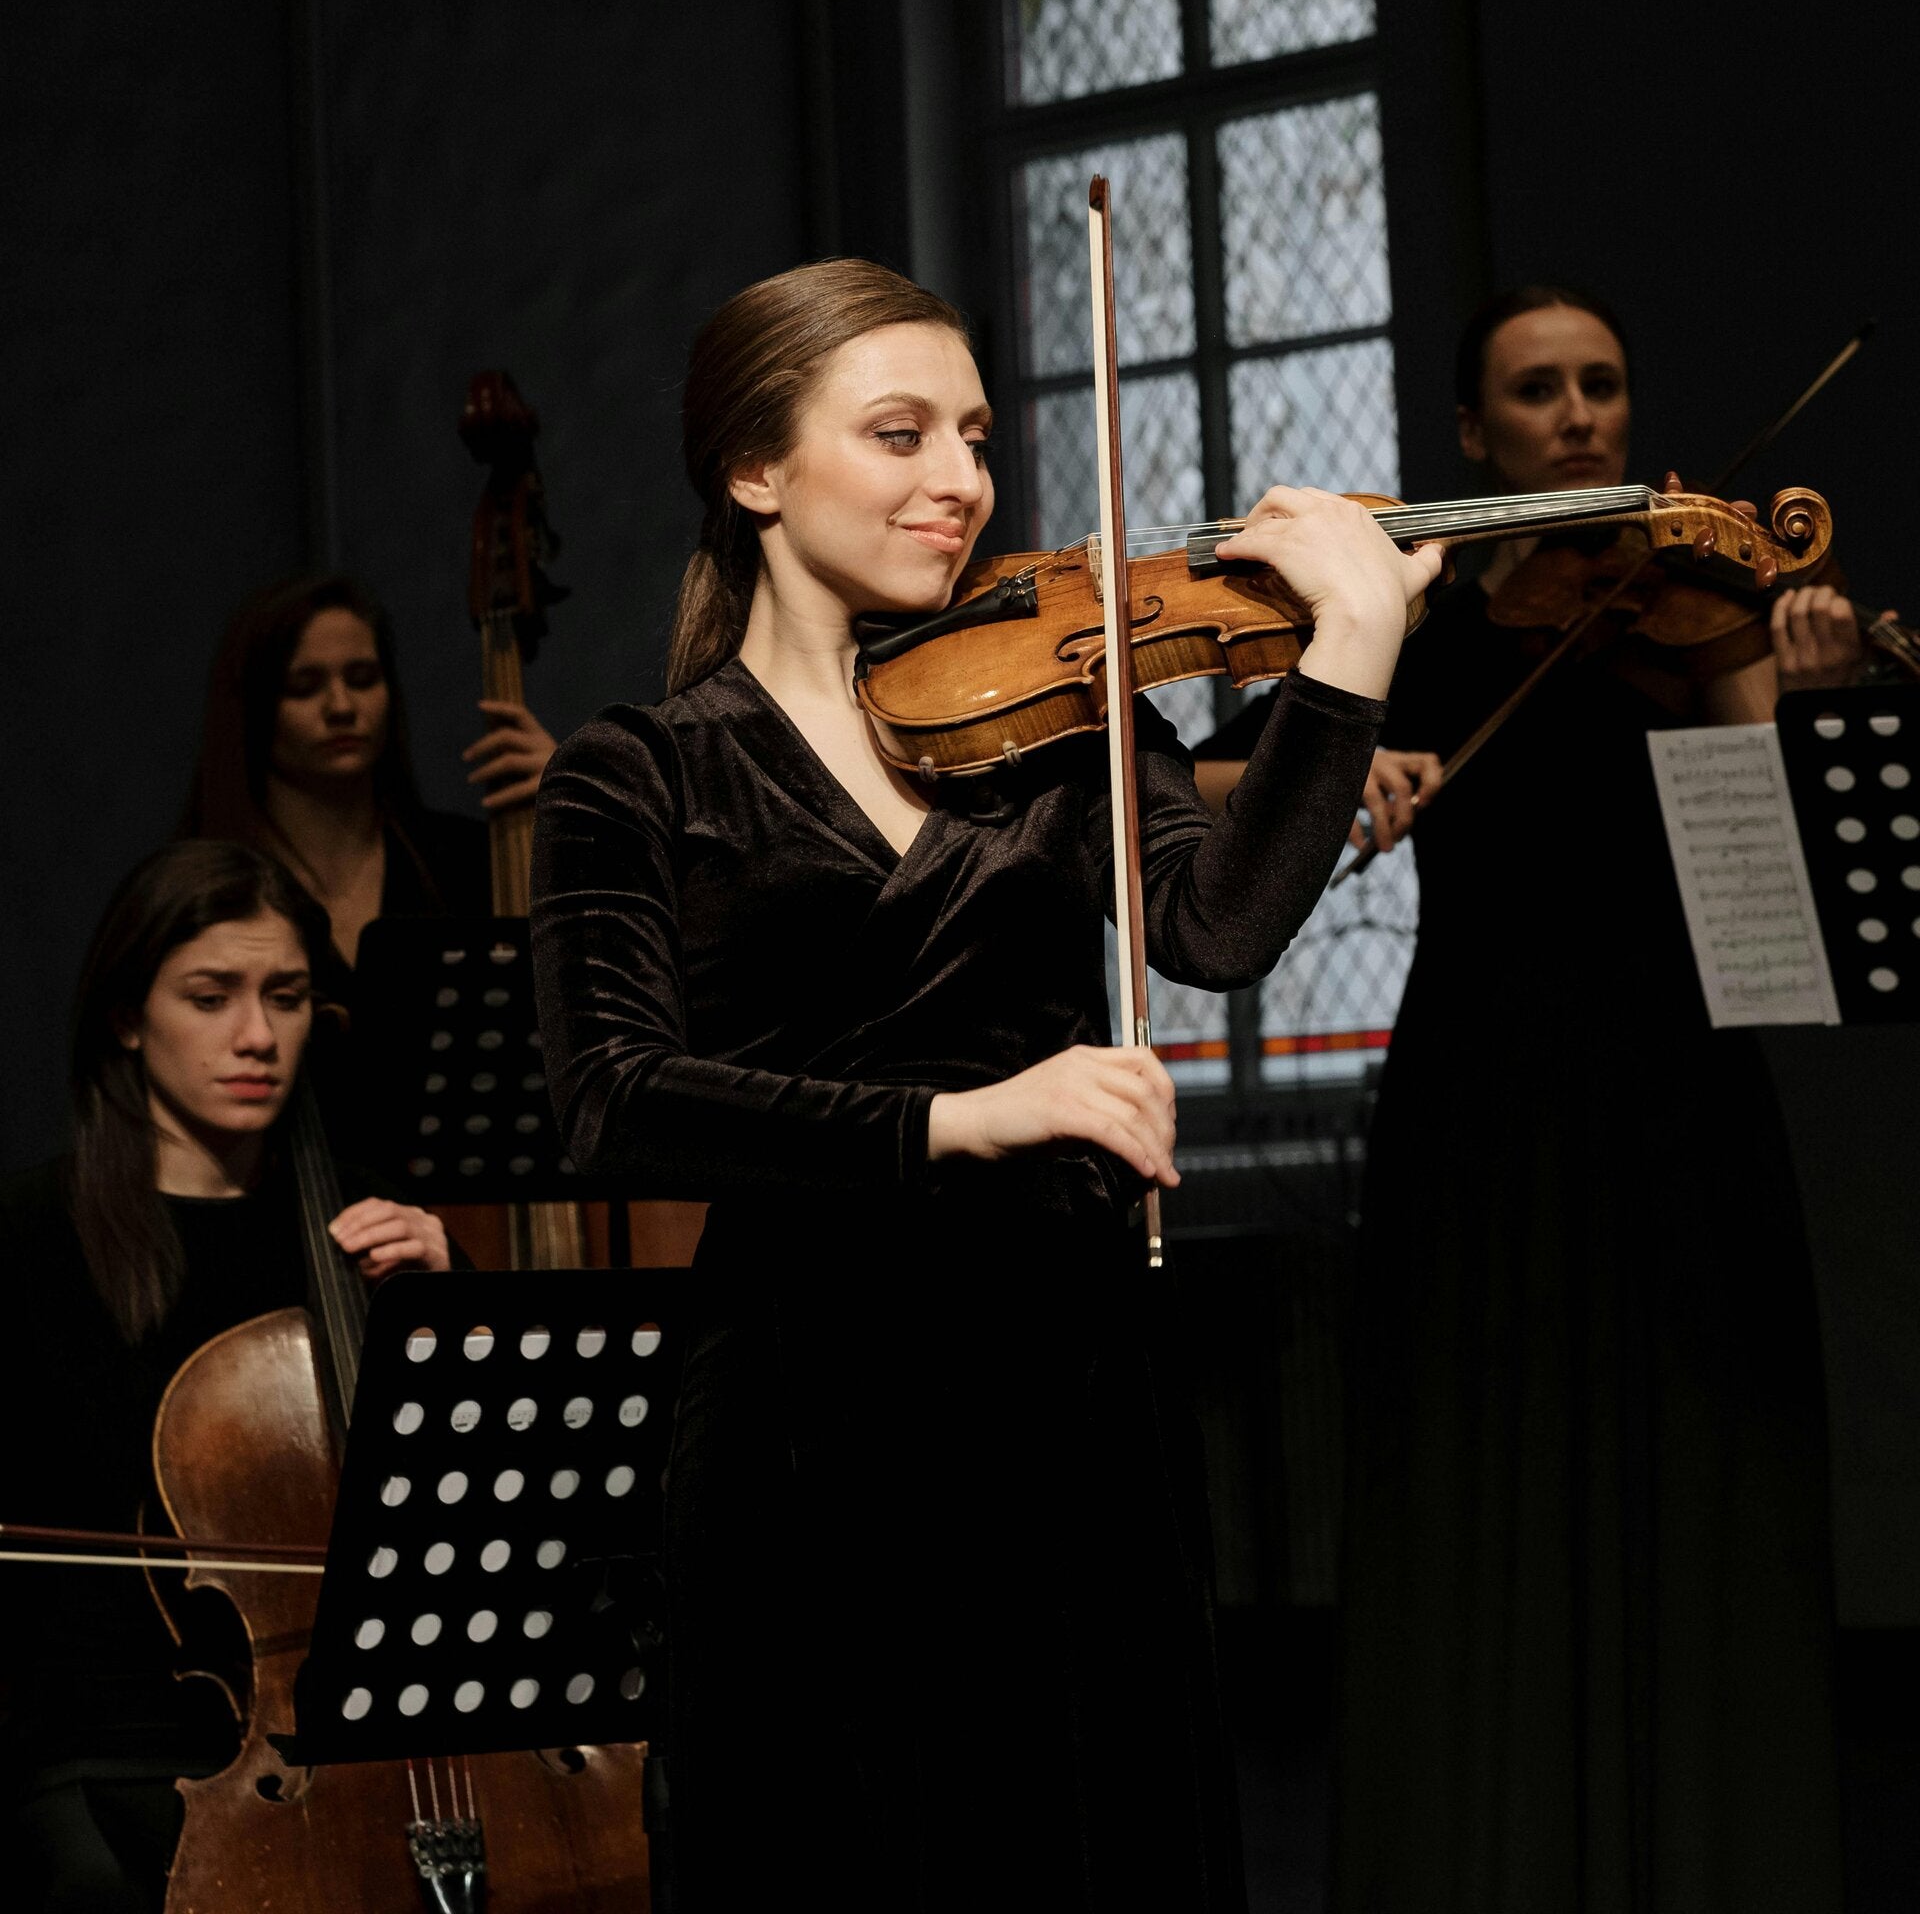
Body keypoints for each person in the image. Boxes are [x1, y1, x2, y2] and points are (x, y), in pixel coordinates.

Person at [528, 256, 1441, 1913]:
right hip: (811, 1398)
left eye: (973, 436)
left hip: (1065, 1374)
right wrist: (966, 1117)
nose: (961, 479)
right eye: (900, 434)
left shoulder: (1063, 713)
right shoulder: (639, 770)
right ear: (754, 470)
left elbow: (1219, 926)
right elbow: (609, 1098)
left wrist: (1352, 647)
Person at [1313, 286, 1861, 1913]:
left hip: (1680, 1101)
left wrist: (1808, 694)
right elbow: (1218, 785)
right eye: (1538, 391)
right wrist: (1342, 771)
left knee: (1697, 1482)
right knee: (1487, 1486)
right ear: (1473, 433)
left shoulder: (1697, 606)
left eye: (1602, 386)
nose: (1578, 417)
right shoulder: (1420, 635)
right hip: (1482, 1105)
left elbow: (1777, 881)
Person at [0, 838, 453, 1914]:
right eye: (211, 998)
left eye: (286, 998)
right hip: (108, 1750)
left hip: (358, 1733)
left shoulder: (367, 1230)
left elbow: (469, 1501)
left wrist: (451, 1315)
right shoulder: (31, 1240)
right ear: (127, 1017)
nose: (257, 1036)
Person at [178, 572, 557, 977]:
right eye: (304, 687)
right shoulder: (198, 886)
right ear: (251, 709)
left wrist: (576, 804)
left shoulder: (461, 861)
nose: (341, 707)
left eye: (362, 680)